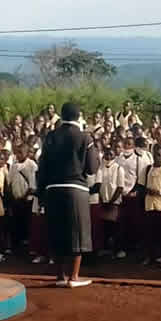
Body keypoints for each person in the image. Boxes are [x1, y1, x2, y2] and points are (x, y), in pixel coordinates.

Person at [37, 103, 99, 288]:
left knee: (57, 232)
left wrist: (41, 194)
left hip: (52, 189)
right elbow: (92, 168)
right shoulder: (84, 137)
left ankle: (60, 277)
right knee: (77, 234)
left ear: (61, 115)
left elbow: (43, 168)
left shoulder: (50, 137)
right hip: (76, 190)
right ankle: (74, 277)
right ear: (79, 116)